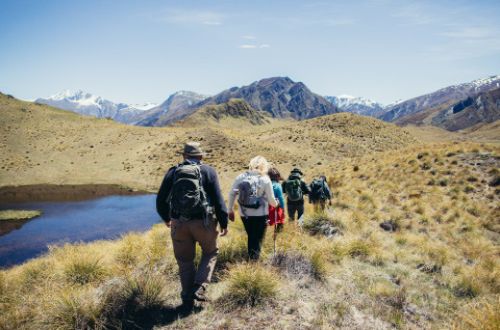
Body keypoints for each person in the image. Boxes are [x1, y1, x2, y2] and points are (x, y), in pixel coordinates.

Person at [156, 142, 228, 311]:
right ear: (201, 156)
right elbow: (219, 201)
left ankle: (187, 300)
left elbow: (160, 201)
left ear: (184, 156)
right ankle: (200, 287)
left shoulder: (173, 172)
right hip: (204, 223)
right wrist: (224, 223)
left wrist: (167, 219)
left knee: (184, 261)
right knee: (210, 252)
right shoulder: (208, 171)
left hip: (178, 223)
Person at [228, 156, 277, 260]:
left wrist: (230, 210)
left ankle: (252, 259)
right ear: (264, 166)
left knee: (251, 236)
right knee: (258, 239)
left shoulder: (240, 177)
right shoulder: (265, 179)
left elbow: (232, 193)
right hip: (260, 214)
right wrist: (276, 203)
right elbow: (272, 201)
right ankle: (254, 261)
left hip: (244, 214)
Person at [268, 167, 285, 232]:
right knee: (279, 222)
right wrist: (283, 209)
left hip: (264, 208)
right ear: (277, 176)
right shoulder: (277, 185)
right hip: (275, 207)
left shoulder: (265, 184)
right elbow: (281, 198)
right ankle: (277, 236)